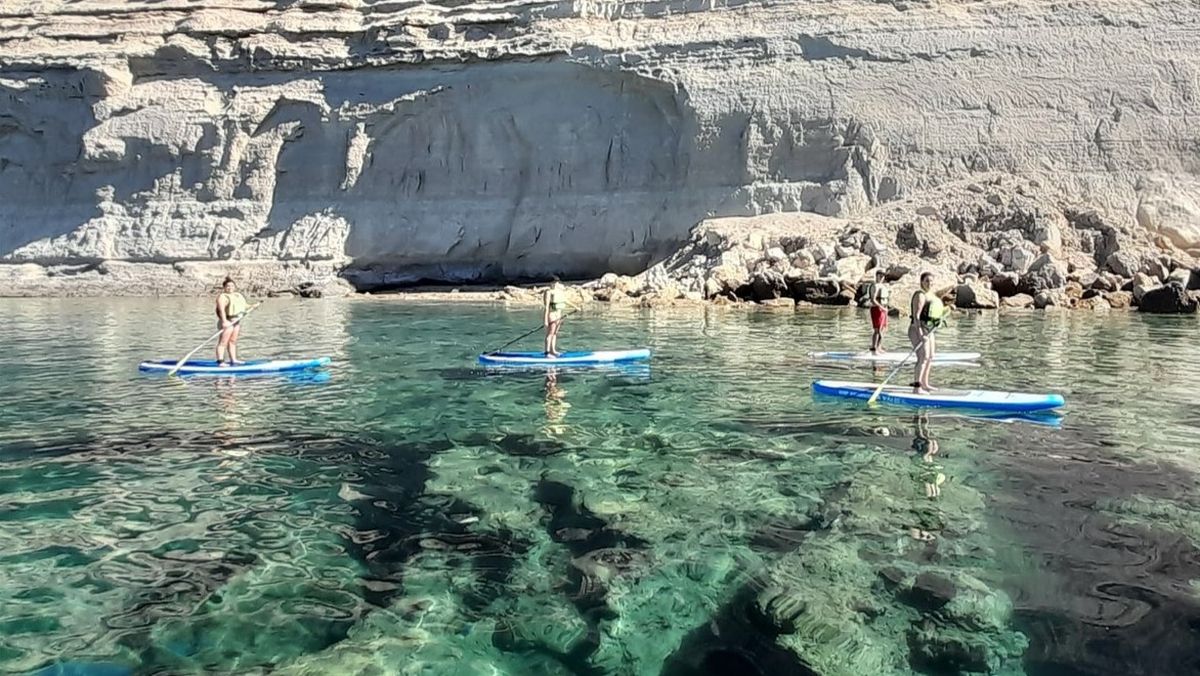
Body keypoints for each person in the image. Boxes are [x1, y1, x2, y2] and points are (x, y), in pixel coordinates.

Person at [908, 272, 946, 394]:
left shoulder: (931, 295)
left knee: (930, 357)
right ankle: (917, 387)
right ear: (921, 282)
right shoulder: (920, 295)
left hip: (929, 330)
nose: (929, 283)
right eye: (927, 281)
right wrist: (920, 334)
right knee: (922, 358)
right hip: (917, 329)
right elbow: (916, 317)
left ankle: (925, 383)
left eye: (931, 281)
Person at [215, 277, 249, 366]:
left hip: (236, 321)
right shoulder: (222, 297)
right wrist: (224, 321)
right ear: (224, 287)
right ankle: (220, 361)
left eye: (232, 286)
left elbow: (245, 306)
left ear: (235, 287)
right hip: (227, 321)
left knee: (233, 341)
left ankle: (233, 359)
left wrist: (254, 306)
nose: (230, 288)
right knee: (223, 342)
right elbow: (221, 310)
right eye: (228, 286)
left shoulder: (237, 295)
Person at [543, 276, 579, 357]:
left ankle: (553, 350)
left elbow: (565, 300)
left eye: (557, 282)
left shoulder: (559, 292)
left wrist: (575, 307)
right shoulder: (549, 292)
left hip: (559, 314)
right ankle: (547, 352)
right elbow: (547, 306)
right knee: (550, 333)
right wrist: (545, 320)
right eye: (553, 282)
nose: (555, 284)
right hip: (552, 314)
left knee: (555, 333)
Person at [866, 270, 890, 353]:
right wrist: (881, 308)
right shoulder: (875, 286)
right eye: (880, 276)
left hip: (883, 308)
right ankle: (875, 347)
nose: (881, 278)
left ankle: (878, 346)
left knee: (882, 329)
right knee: (878, 330)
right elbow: (873, 299)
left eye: (883, 276)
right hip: (877, 309)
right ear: (876, 276)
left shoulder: (882, 286)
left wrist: (885, 308)